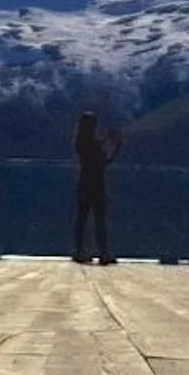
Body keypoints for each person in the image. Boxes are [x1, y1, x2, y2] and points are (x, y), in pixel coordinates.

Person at [71, 111, 122, 264]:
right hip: (96, 184)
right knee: (99, 219)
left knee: (82, 218)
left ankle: (80, 250)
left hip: (84, 183)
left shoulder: (80, 143)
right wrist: (114, 145)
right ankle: (103, 252)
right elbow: (103, 161)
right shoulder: (90, 144)